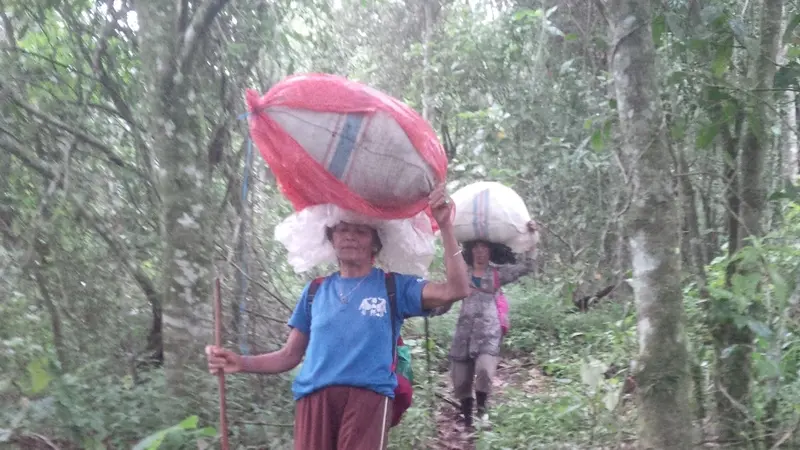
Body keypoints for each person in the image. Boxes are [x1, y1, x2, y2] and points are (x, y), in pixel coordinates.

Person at [205, 183, 470, 450]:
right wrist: (240, 362)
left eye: (360, 231)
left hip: (368, 399)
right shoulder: (315, 291)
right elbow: (289, 356)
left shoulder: (394, 288)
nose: (350, 237)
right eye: (342, 229)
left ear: (375, 243)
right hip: (314, 399)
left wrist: (446, 226)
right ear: (331, 238)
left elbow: (456, 289)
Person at [429, 220, 538, 429]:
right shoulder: (462, 274)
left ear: (490, 251)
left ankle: (481, 411)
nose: (480, 253)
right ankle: (468, 419)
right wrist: (431, 309)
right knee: (460, 380)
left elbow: (527, 267)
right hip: (464, 333)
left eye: (484, 248)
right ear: (471, 251)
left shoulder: (498, 274)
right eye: (476, 248)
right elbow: (448, 298)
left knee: (485, 372)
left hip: (489, 331)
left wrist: (533, 239)